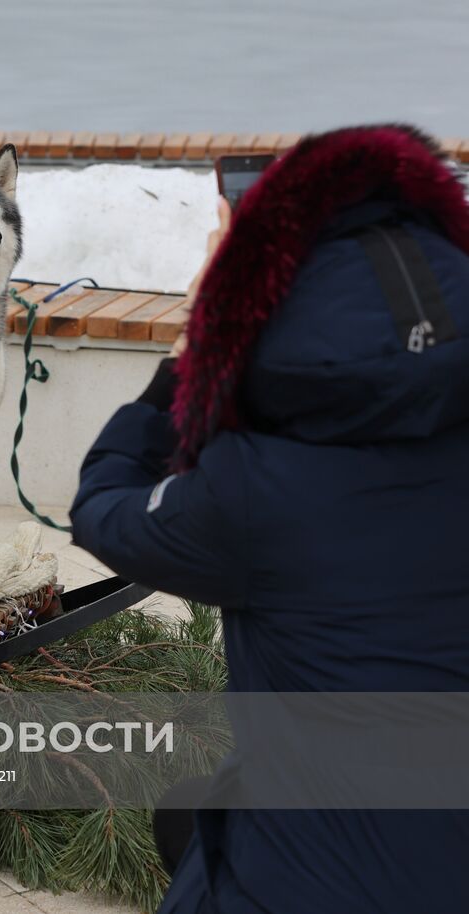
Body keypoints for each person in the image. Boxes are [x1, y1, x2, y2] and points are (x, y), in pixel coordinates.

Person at [69, 123, 469, 913]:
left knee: (208, 820)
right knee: (198, 809)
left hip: (327, 885)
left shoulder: (256, 491)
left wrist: (188, 369)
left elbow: (103, 512)